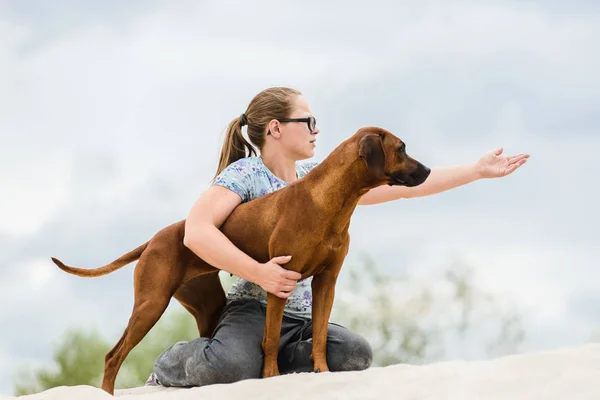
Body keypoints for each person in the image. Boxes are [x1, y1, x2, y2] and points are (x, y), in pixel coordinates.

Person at [147, 87, 529, 387]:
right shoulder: (244, 175)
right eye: (308, 121)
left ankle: (281, 363)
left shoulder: (320, 177)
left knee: (354, 354)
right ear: (276, 128)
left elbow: (401, 188)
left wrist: (476, 170)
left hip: (299, 319)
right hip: (250, 311)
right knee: (229, 366)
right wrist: (259, 273)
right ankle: (169, 367)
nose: (317, 130)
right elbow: (196, 231)